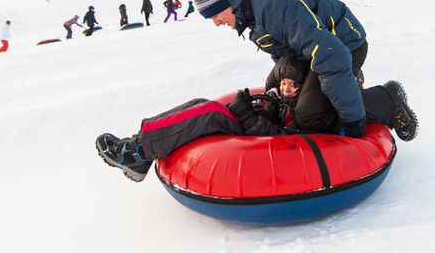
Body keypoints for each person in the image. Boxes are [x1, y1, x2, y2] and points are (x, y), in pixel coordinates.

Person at [96, 55, 418, 182]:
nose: (287, 88)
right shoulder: (281, 95)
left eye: (294, 85)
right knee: (201, 104)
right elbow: (274, 109)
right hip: (246, 125)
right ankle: (140, 141)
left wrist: (245, 114)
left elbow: (283, 139)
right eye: (283, 84)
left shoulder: (308, 110)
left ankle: (138, 152)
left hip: (253, 135)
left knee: (209, 113)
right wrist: (255, 104)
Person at [190, 0, 371, 138]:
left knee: (309, 116)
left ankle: (386, 99)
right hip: (312, 53)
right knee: (275, 86)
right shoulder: (249, 14)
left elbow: (330, 53)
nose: (216, 23)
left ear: (226, 1)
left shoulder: (271, 1)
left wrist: (354, 123)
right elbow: (283, 53)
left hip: (343, 43)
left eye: (214, 14)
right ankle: (337, 87)